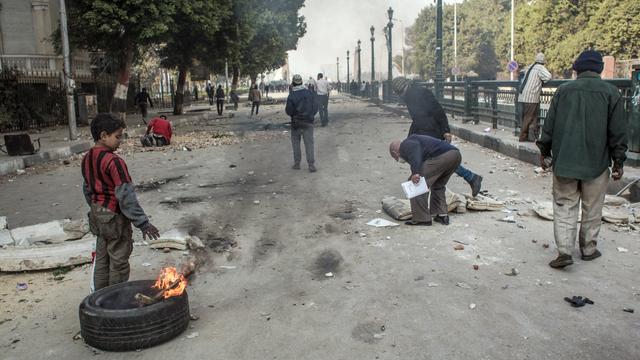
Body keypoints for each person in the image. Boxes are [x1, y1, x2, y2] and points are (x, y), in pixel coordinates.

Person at [537, 50, 627, 269]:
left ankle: (565, 252)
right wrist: (618, 162)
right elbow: (618, 132)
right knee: (592, 207)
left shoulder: (563, 91)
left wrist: (544, 152)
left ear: (576, 69)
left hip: (565, 161)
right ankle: (588, 249)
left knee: (565, 205)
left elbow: (548, 127)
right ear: (599, 69)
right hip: (597, 163)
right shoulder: (611, 92)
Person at [82, 113, 160, 291]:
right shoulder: (114, 161)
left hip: (97, 214)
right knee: (118, 260)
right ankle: (114, 299)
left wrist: (97, 208)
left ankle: (99, 297)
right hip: (115, 216)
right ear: (103, 136)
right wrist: (143, 223)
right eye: (117, 137)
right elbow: (126, 196)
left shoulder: (87, 158)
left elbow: (87, 189)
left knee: (102, 258)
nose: (120, 141)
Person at [392, 77, 483, 197]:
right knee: (435, 159)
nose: (400, 96)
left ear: (404, 88)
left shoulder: (422, 93)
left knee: (440, 159)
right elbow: (417, 118)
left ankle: (470, 177)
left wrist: (446, 131)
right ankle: (468, 178)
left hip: (432, 129)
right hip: (423, 130)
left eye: (400, 93)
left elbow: (438, 111)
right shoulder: (409, 95)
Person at [389, 134, 462, 226]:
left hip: (443, 156)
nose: (397, 160)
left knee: (415, 183)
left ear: (395, 153)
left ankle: (422, 218)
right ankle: (441, 215)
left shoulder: (405, 145)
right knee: (438, 184)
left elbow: (415, 151)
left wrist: (416, 173)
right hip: (455, 155)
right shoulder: (414, 140)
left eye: (395, 158)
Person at [286, 74, 319, 172]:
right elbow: (315, 107)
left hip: (296, 123)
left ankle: (297, 164)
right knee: (309, 144)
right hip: (308, 122)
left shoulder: (291, 95)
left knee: (296, 144)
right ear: (301, 82)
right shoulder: (309, 93)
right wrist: (311, 115)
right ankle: (311, 164)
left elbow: (288, 111)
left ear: (293, 83)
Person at [518, 53, 552, 142]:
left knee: (527, 117)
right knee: (529, 117)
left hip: (522, 95)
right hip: (531, 96)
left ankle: (531, 137)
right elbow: (548, 76)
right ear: (543, 61)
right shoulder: (540, 68)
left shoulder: (530, 67)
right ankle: (522, 137)